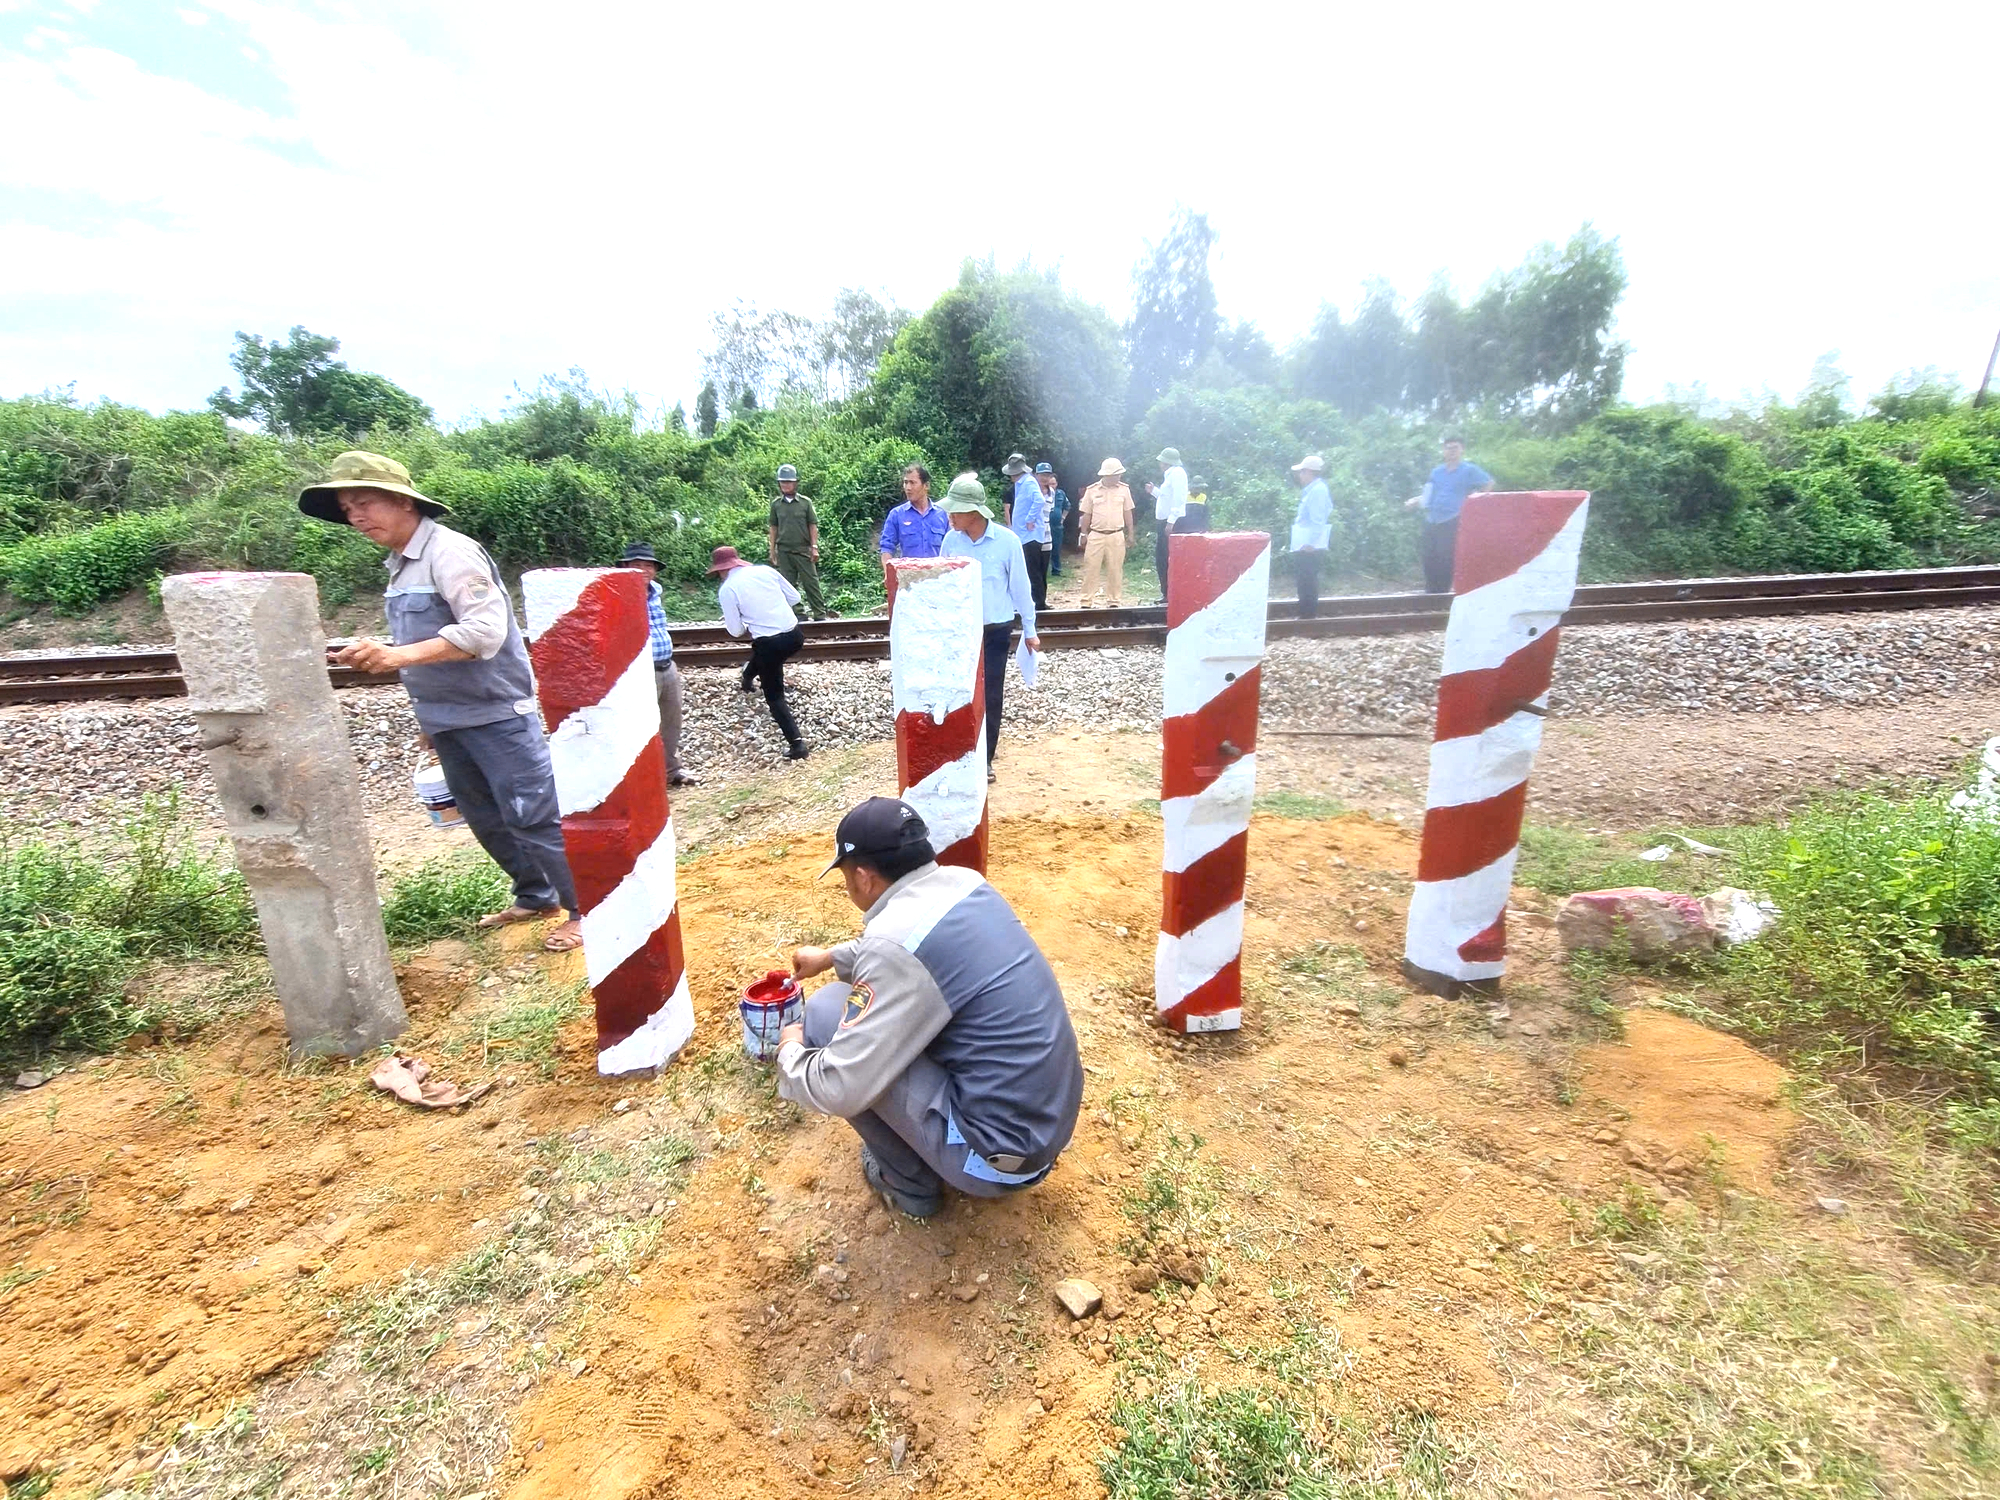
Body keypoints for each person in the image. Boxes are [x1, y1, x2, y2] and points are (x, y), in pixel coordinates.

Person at [303, 450, 581, 952]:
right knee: (484, 817)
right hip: (448, 718)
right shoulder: (402, 564)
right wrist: (428, 720)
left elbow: (485, 631)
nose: (356, 517)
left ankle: (585, 909)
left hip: (495, 713)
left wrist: (396, 656)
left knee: (533, 814)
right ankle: (535, 895)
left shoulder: (451, 553)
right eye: (347, 509)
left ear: (404, 502)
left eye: (364, 503)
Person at [776, 797, 1084, 1220]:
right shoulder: (966, 884)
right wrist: (831, 957)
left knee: (827, 1012)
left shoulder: (893, 946)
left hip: (997, 1162)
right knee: (883, 1024)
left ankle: (908, 1182)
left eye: (845, 876)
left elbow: (840, 1087)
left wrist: (789, 1049)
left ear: (863, 877)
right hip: (1048, 1127)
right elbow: (915, 952)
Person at [938, 474, 1040, 781]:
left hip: (995, 631)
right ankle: (960, 752)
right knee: (960, 692)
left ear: (974, 512)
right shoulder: (951, 541)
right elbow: (943, 585)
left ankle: (985, 758)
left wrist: (1030, 630)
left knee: (991, 694)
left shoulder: (1007, 542)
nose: (951, 516)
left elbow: (1021, 588)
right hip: (961, 631)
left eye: (956, 510)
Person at [710, 544, 810, 761]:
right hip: (795, 636)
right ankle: (747, 678)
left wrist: (749, 618)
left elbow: (735, 631)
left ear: (720, 570)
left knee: (774, 695)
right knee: (763, 656)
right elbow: (794, 598)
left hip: (769, 644)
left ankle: (797, 745)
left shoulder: (727, 589)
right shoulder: (765, 571)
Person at [617, 542, 698, 787]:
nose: (644, 570)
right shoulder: (619, 595)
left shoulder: (655, 592)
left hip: (666, 664)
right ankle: (644, 776)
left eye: (648, 565)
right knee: (641, 724)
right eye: (637, 565)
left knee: (672, 720)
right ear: (625, 567)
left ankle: (672, 770)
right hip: (641, 670)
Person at [1405, 436, 1494, 594]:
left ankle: (1442, 592)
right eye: (1448, 448)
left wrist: (1474, 500)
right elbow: (1429, 494)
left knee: (1445, 556)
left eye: (1455, 448)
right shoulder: (1436, 472)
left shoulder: (1469, 470)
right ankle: (1431, 591)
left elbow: (1488, 483)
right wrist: (1415, 501)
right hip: (1432, 518)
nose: (1451, 451)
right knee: (1429, 555)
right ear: (1443, 451)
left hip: (1453, 518)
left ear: (1461, 450)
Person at [767, 463, 835, 620]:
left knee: (811, 583)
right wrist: (772, 550)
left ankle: (819, 614)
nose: (785, 485)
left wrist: (814, 547)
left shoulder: (805, 503)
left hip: (803, 549)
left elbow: (812, 525)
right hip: (784, 550)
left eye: (788, 482)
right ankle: (798, 614)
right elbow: (773, 527)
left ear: (796, 483)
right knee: (788, 585)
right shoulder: (776, 505)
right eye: (782, 482)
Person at [1075, 458, 1135, 606]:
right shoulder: (1092, 490)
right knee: (1091, 568)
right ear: (1107, 475)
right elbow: (1086, 514)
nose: (1119, 477)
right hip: (1096, 534)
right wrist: (1083, 533)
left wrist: (1131, 533)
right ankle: (1086, 600)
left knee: (1115, 569)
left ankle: (1114, 600)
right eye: (1116, 474)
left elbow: (1127, 512)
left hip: (1116, 534)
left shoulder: (1124, 490)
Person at [878, 462, 949, 580]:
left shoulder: (942, 515)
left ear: (926, 486)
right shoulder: (896, 515)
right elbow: (887, 547)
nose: (908, 488)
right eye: (905, 482)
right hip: (909, 581)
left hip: (938, 580)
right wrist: (889, 574)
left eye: (912, 483)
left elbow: (951, 548)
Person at [1002, 453, 1051, 610]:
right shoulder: (1021, 483)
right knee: (1028, 570)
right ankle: (1032, 602)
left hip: (1030, 535)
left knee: (1032, 570)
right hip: (1023, 535)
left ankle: (1038, 604)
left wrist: (1030, 519)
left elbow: (1039, 500)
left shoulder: (1029, 482)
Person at [1289, 454, 1335, 620]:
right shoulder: (1314, 490)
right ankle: (1306, 613)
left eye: (1302, 472)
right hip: (1306, 543)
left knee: (1307, 579)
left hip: (1309, 545)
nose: (1300, 475)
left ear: (1309, 472)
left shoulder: (1317, 491)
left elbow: (1318, 520)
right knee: (1305, 578)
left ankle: (1307, 615)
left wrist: (1310, 543)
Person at [1146, 447, 1189, 604]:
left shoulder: (1177, 473)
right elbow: (1166, 497)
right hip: (1166, 520)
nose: (1160, 464)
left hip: (1172, 521)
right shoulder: (1170, 475)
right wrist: (1153, 491)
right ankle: (1167, 593)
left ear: (1166, 462)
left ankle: (1171, 593)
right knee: (1162, 558)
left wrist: (1171, 521)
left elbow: (1179, 499)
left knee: (1166, 558)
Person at [1037, 463, 1071, 577]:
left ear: (1057, 484)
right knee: (1042, 548)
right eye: (1050, 483)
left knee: (1056, 548)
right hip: (1043, 524)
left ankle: (1056, 570)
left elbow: (1068, 506)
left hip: (1056, 525)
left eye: (1053, 483)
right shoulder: (1039, 492)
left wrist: (1063, 518)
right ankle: (1042, 570)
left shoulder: (1061, 494)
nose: (1051, 485)